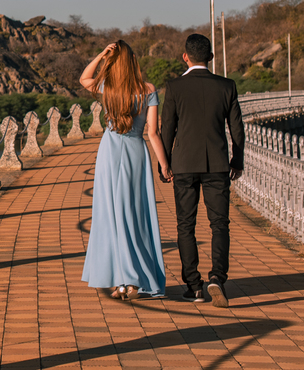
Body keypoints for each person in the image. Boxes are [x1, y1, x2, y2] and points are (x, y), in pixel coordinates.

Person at [79, 40, 170, 300]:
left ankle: (120, 281)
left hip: (109, 152)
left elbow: (84, 79)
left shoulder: (108, 87)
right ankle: (133, 281)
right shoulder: (148, 90)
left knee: (111, 215)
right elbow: (153, 132)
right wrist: (164, 164)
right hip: (135, 153)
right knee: (134, 214)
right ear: (133, 62)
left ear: (113, 64)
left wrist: (100, 55)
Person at [160, 33, 244, 308]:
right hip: (218, 165)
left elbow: (167, 129)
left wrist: (166, 163)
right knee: (219, 224)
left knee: (186, 224)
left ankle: (194, 286)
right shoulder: (227, 86)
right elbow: (237, 129)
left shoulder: (174, 87)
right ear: (210, 58)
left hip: (184, 165)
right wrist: (237, 159)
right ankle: (217, 277)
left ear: (185, 57)